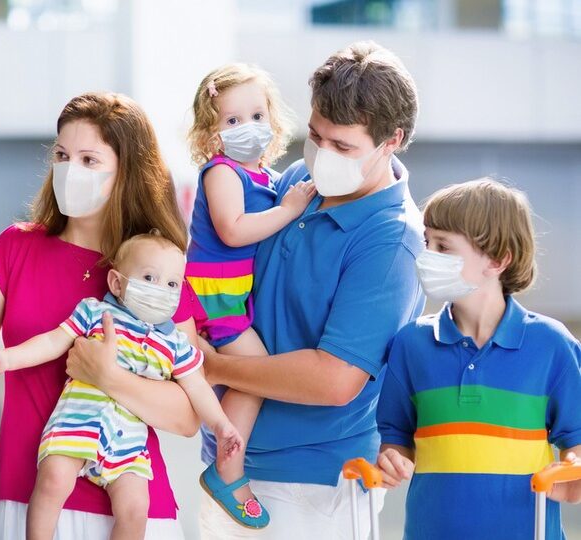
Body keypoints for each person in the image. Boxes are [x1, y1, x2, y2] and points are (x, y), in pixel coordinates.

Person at [0, 92, 199, 539]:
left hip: (133, 512)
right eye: (63, 156)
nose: (71, 171)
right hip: (28, 501)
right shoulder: (19, 247)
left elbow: (187, 416)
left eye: (90, 159)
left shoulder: (157, 273)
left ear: (126, 172)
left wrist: (109, 377)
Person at [190, 41, 425, 539]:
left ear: (391, 141)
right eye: (316, 137)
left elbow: (334, 380)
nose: (323, 155)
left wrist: (209, 366)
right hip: (230, 470)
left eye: (343, 147)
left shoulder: (392, 240)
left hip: (315, 487)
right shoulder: (301, 180)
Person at [0, 231, 244, 540]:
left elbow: (196, 387)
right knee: (51, 481)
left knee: (135, 509)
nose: (162, 290)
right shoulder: (95, 312)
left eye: (172, 284)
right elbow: (52, 341)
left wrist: (222, 426)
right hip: (77, 423)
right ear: (117, 283)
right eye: (149, 277)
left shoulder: (174, 343)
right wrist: (5, 359)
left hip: (128, 443)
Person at [375, 179, 581, 539]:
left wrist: (573, 474)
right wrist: (393, 459)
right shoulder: (410, 345)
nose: (427, 256)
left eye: (444, 246)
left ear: (498, 260)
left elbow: (576, 446)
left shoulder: (551, 345)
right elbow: (397, 437)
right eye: (427, 242)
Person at [184, 63, 314, 528]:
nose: (248, 128)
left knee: (248, 376)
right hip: (215, 299)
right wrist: (288, 209)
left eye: (257, 115)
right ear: (212, 132)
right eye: (232, 121)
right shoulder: (221, 173)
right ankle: (226, 469)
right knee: (256, 374)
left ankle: (225, 456)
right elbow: (234, 231)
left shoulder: (259, 173)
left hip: (234, 299)